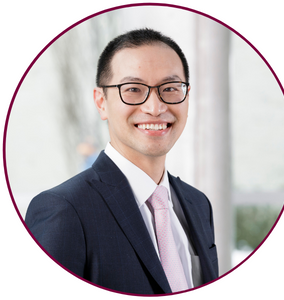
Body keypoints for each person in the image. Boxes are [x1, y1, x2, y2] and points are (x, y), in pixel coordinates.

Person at [25, 28, 218, 295]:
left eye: (170, 88)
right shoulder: (64, 211)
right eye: (134, 89)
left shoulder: (198, 205)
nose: (155, 107)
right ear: (101, 102)